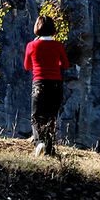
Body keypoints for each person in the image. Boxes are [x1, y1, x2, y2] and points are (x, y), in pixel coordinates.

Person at [23, 15, 70, 157]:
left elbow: (27, 66)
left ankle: (39, 142)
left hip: (39, 83)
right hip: (56, 84)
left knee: (36, 116)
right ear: (53, 29)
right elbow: (66, 65)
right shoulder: (58, 45)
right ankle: (49, 148)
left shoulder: (32, 45)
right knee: (51, 116)